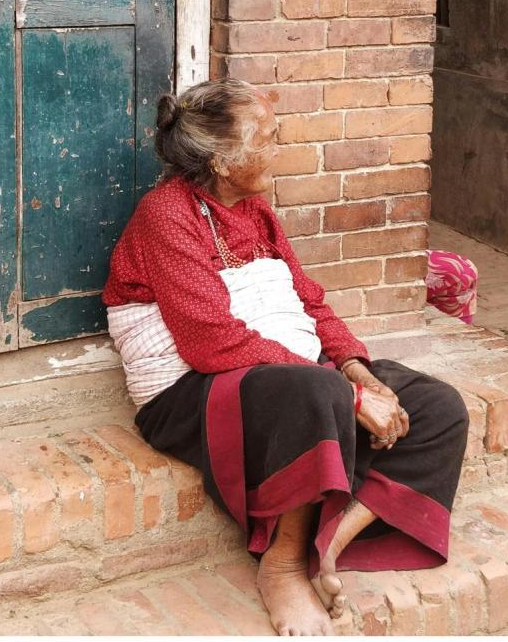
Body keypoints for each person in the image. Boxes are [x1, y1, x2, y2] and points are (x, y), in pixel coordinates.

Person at [102, 78, 469, 636]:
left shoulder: (255, 211)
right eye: (268, 139)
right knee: (316, 393)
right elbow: (211, 343)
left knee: (439, 405)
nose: (280, 151)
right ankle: (283, 565)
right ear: (224, 161)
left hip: (279, 368)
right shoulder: (165, 215)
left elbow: (308, 302)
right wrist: (345, 394)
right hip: (186, 393)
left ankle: (331, 543)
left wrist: (356, 369)